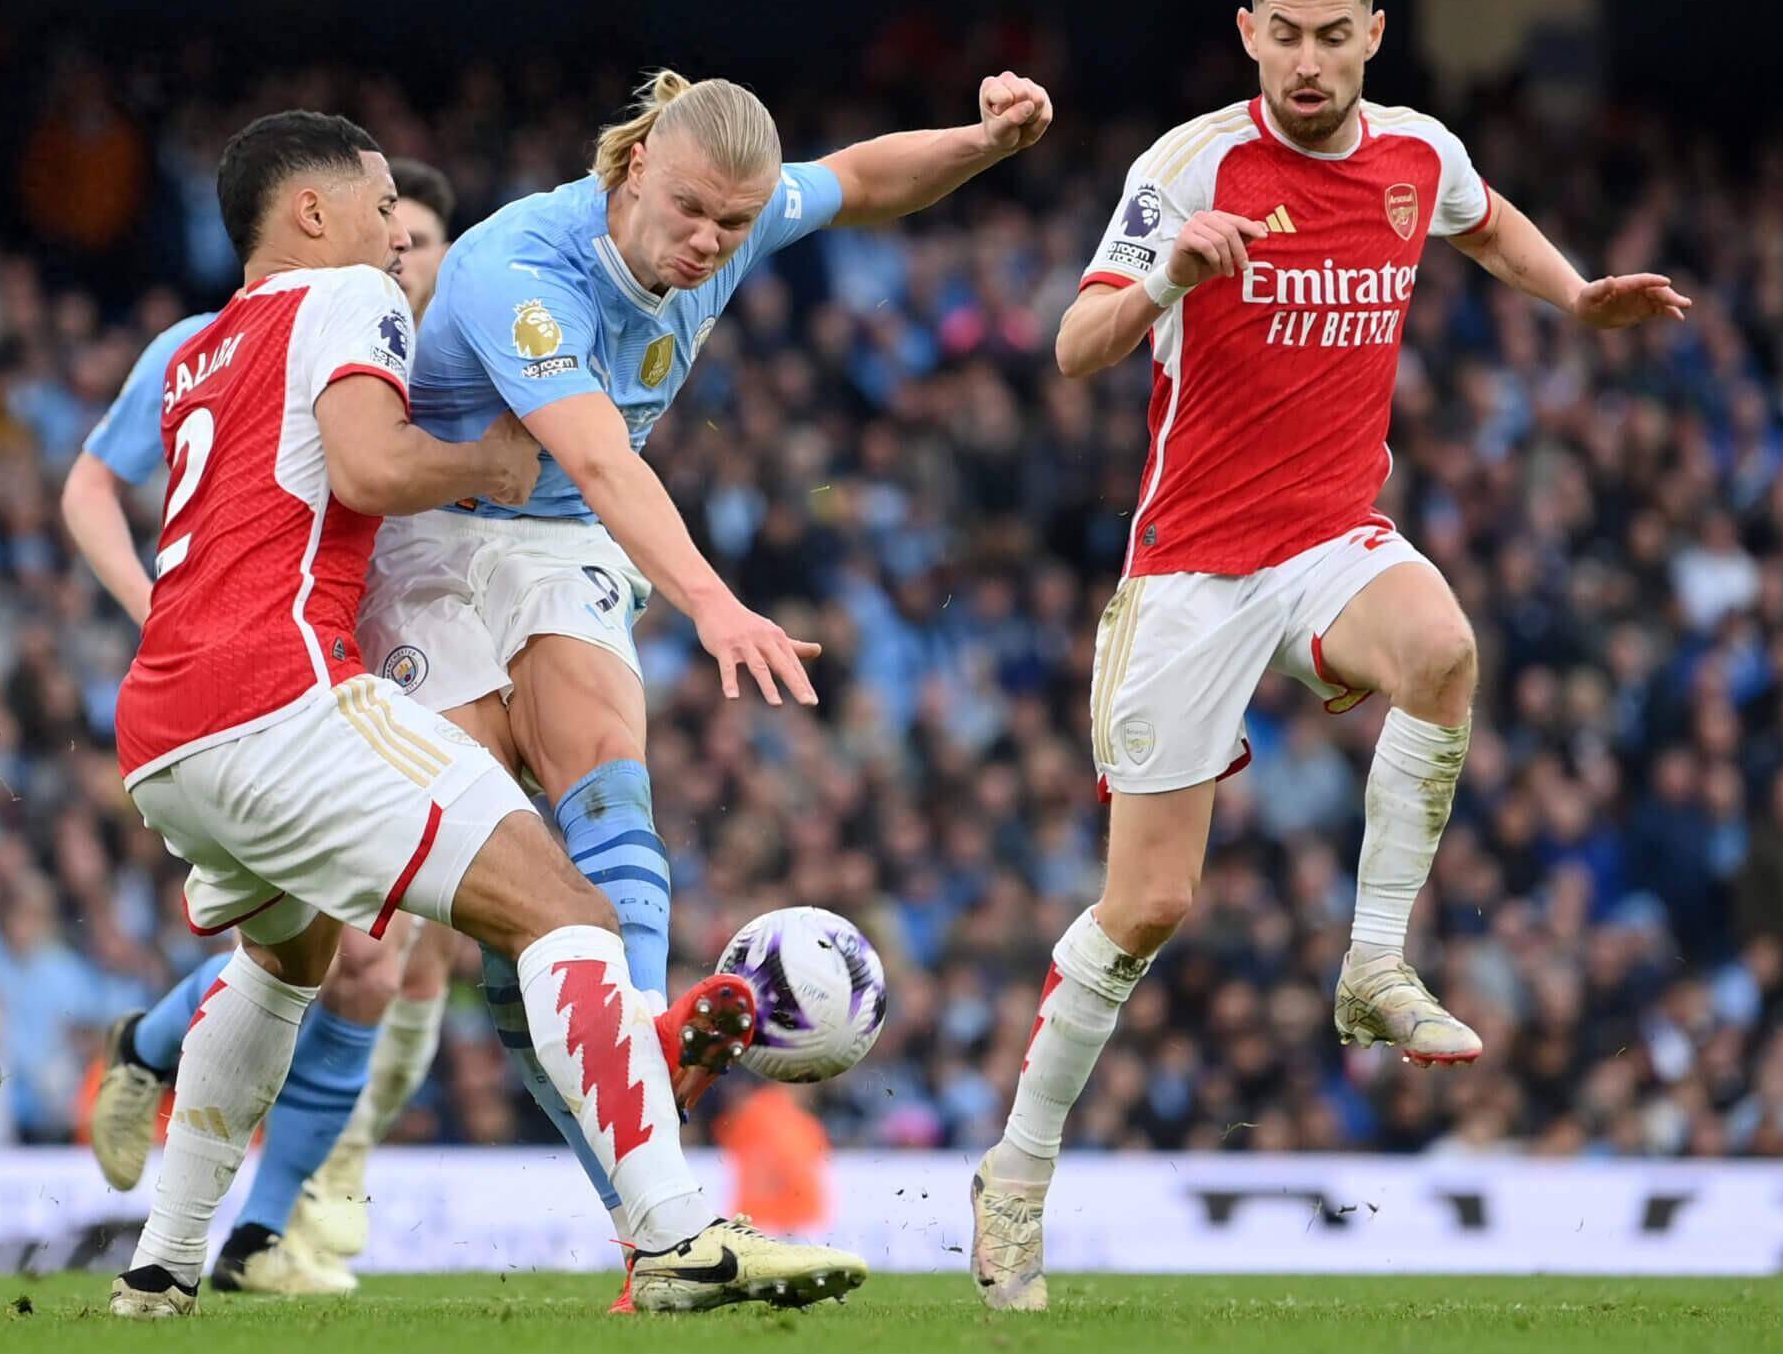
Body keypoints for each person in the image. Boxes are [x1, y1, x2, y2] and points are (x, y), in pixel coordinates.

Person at [969, 0, 1689, 1311]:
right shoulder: (1187, 167)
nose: (1307, 61)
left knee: (1445, 648)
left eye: (1332, 34)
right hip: (1189, 570)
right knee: (1150, 904)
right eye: (1283, 34)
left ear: (1373, 35)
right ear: (1250, 34)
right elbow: (1069, 347)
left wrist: (1574, 294)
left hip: (1332, 537)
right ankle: (1016, 1173)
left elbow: (1484, 223)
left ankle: (1373, 965)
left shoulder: (1420, 151)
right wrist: (1172, 274)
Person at [105, 110, 866, 1316]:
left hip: (159, 724)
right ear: (312, 215)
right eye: (377, 209)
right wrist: (483, 468)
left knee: (284, 964)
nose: (403, 240)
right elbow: (366, 468)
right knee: (563, 911)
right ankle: (675, 1236)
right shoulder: (351, 301)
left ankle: (161, 1266)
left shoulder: (201, 348)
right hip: (283, 697)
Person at [354, 67, 1052, 1296]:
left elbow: (865, 179)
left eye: (732, 225)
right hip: (433, 546)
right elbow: (599, 460)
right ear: (630, 172)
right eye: (688, 214)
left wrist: (984, 144)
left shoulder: (728, 220)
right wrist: (716, 603)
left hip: (564, 547)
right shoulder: (525, 266)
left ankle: (655, 1194)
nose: (709, 244)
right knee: (486, 911)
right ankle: (641, 1070)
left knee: (608, 821)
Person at [68, 159, 466, 1294]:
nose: (405, 250)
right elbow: (91, 484)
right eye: (394, 222)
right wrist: (159, 605)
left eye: (425, 235)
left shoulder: (447, 352)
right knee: (359, 955)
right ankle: (254, 1220)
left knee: (388, 966)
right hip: (291, 670)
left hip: (414, 655)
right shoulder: (229, 333)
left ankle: (267, 1207)